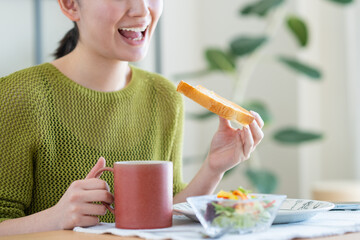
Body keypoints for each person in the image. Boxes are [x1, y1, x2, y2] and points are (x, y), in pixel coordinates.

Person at [0, 0, 264, 236]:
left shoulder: (163, 96)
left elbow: (164, 213)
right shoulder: (20, 96)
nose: (141, 9)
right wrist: (55, 218)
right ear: (70, 5)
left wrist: (214, 168)